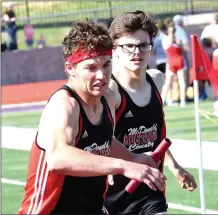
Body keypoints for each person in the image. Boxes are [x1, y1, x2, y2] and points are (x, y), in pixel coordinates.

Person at [17, 20, 166, 215]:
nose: (101, 75)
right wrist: (124, 166)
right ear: (70, 68)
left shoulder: (106, 98)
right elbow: (58, 157)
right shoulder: (65, 104)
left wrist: (133, 157)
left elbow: (103, 140)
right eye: (91, 68)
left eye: (106, 65)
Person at [104, 11, 197, 215]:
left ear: (150, 47)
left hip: (150, 189)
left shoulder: (157, 80)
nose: (136, 52)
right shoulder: (111, 91)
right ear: (115, 49)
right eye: (128, 46)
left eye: (142, 45)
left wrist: (175, 168)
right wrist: (124, 162)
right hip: (115, 193)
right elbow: (103, 140)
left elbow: (156, 137)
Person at [162, 24, 187, 107]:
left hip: (171, 61)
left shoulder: (165, 40)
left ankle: (163, 100)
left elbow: (166, 50)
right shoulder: (178, 40)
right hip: (178, 60)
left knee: (168, 82)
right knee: (181, 81)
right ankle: (183, 101)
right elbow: (183, 50)